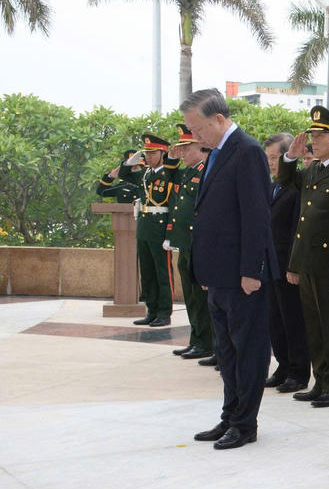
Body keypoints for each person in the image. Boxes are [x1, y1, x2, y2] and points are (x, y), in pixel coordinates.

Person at [183, 88, 276, 451]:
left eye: (198, 127)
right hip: (218, 275)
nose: (195, 136)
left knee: (248, 350)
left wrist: (251, 270)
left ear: (219, 119)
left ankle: (244, 423)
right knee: (226, 352)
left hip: (243, 277)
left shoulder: (247, 151)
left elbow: (256, 217)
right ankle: (229, 415)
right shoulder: (218, 154)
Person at [277, 105, 329, 407]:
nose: (314, 140)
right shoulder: (313, 172)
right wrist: (290, 158)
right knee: (314, 327)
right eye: (312, 135)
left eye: (321, 135)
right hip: (308, 262)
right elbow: (286, 182)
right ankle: (319, 381)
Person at [264, 133, 310, 394]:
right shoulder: (272, 186)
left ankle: (298, 371)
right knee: (275, 319)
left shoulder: (297, 188)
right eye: (268, 157)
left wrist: (294, 265)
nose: (271, 163)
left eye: (274, 157)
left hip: (288, 262)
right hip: (270, 262)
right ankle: (282, 365)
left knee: (293, 319)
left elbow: (296, 229)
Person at [164, 125, 214, 360]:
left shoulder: (206, 171)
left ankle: (207, 342)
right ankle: (197, 339)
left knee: (202, 297)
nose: (181, 152)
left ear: (200, 147)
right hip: (185, 243)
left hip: (198, 244)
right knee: (191, 297)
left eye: (186, 148)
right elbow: (167, 176)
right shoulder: (187, 172)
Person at [118, 134, 175, 327]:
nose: (149, 157)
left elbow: (174, 205)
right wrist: (129, 162)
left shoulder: (169, 174)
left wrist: (170, 234)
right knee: (147, 271)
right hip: (144, 226)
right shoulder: (145, 174)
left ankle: (164, 312)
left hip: (160, 227)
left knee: (162, 272)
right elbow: (124, 175)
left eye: (153, 153)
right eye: (147, 153)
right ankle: (151, 310)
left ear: (162, 153)